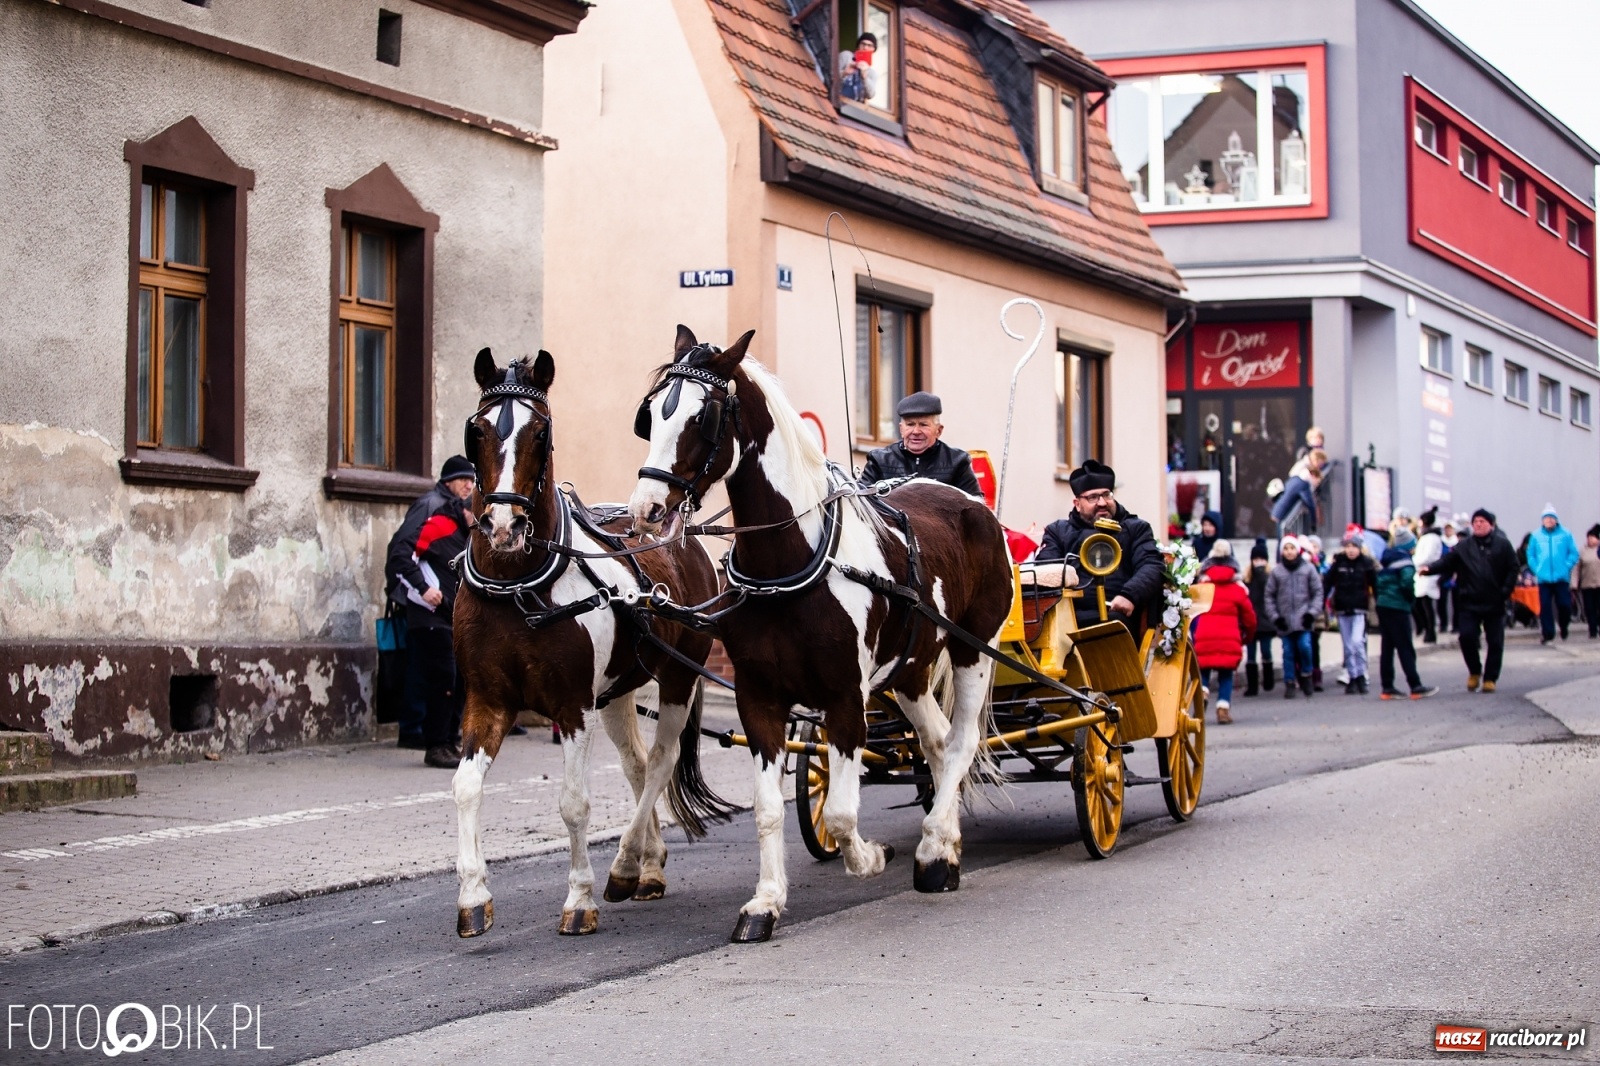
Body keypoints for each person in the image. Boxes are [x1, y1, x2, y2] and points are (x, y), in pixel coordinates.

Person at [386, 455, 475, 767]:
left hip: (453, 616)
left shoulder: (470, 536)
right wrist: (422, 589)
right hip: (428, 615)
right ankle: (435, 744)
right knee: (443, 678)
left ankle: (450, 741)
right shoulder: (438, 522)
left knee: (459, 679)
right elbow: (399, 554)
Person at [1036, 460, 1166, 635]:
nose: (1103, 502)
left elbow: (1152, 565)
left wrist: (1129, 595)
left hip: (1118, 612)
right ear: (1077, 503)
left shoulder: (1136, 528)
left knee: (1113, 626)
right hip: (1069, 614)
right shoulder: (1057, 532)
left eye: (1107, 495)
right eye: (1092, 497)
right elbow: (1046, 570)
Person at [1419, 508, 1519, 693]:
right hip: (1469, 600)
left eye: (1482, 521)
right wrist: (1429, 569)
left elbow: (1513, 568)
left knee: (1495, 641)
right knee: (1467, 636)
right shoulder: (1464, 546)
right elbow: (1447, 562)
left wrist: (1504, 591)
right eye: (1476, 522)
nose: (1479, 525)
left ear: (1491, 524)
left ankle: (1490, 678)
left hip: (1494, 601)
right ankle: (1474, 671)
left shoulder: (1503, 545)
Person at [859, 391, 981, 495]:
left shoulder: (958, 462)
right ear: (901, 429)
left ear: (938, 430)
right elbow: (860, 502)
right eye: (910, 424)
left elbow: (976, 507)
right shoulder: (879, 460)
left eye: (923, 425)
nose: (916, 431)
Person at [1375, 529, 1438, 700]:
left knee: (1387, 648)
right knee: (1405, 647)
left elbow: (1377, 582)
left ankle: (1387, 687)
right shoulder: (1405, 563)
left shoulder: (1386, 559)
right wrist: (1410, 601)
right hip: (1398, 607)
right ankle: (1415, 685)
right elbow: (1407, 584)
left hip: (1383, 605)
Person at [1192, 556, 1256, 724]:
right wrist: (1246, 637)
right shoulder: (1238, 589)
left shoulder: (1202, 587)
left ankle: (1203, 692)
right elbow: (1250, 618)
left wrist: (1194, 633)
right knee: (1226, 676)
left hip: (1205, 635)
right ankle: (1223, 709)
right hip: (1229, 638)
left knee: (1203, 672)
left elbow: (1191, 612)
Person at [1264, 537, 1323, 698]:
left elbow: (1318, 592)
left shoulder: (1308, 569)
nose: (1289, 552)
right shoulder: (1277, 572)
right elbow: (1269, 596)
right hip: (1284, 621)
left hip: (1304, 618)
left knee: (1305, 646)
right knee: (1288, 652)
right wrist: (1275, 617)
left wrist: (1312, 613)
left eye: (1292, 548)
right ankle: (1289, 681)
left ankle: (1307, 674)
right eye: (1286, 548)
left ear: (1298, 550)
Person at [1324, 531, 1376, 695]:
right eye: (1348, 546)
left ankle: (1361, 674)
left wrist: (1377, 603)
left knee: (1357, 642)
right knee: (1347, 646)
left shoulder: (1366, 563)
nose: (1351, 550)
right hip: (1342, 607)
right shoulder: (1339, 563)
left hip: (1359, 607)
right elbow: (1328, 583)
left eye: (1354, 546)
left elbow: (1375, 585)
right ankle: (1352, 677)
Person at [1525, 505, 1580, 644]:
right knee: (1545, 606)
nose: (1549, 521)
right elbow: (1530, 554)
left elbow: (1573, 553)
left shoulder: (1565, 534)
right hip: (1544, 578)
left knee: (1564, 605)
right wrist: (1536, 569)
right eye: (1546, 518)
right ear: (1542, 521)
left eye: (1551, 518)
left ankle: (1564, 625)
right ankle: (1548, 633)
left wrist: (1566, 566)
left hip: (1561, 577)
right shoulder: (1536, 536)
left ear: (1556, 520)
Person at [1243, 539, 1275, 695]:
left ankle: (1268, 680)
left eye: (1262, 560)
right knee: (1250, 655)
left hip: (1266, 622)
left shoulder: (1270, 577)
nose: (1259, 563)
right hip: (1252, 621)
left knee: (1266, 651)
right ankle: (1252, 685)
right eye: (1256, 560)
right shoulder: (1247, 579)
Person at [1271, 448, 1327, 535]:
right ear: (1313, 475)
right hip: (1283, 513)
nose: (1317, 484)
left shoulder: (1296, 479)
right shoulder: (1303, 484)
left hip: (1279, 512)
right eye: (1317, 481)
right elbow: (1310, 503)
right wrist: (1313, 522)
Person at [1412, 507, 1444, 644]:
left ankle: (1430, 631)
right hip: (1421, 573)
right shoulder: (1427, 537)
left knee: (1426, 604)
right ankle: (1425, 628)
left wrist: (1415, 561)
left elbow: (1427, 556)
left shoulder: (1431, 538)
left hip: (1428, 573)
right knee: (1420, 603)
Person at [837, 31, 879, 104]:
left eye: (869, 45)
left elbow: (870, 95)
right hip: (837, 101)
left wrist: (864, 77)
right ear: (858, 45)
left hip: (854, 108)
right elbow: (829, 76)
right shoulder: (846, 56)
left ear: (873, 50)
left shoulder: (871, 73)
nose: (865, 48)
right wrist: (844, 73)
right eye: (863, 44)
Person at [1577, 524, 1600, 640]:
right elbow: (1577, 569)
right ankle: (1592, 630)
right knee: (1589, 608)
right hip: (1587, 584)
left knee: (1598, 608)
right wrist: (1574, 584)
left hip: (1599, 584)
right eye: (1589, 537)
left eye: (1593, 537)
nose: (1590, 539)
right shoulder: (1583, 551)